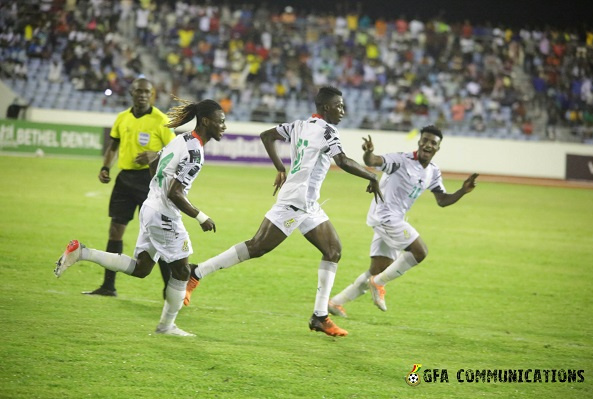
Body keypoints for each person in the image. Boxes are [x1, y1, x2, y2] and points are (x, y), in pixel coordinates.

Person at [184, 86, 383, 337]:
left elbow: (267, 135)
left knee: (333, 251)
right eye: (339, 106)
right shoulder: (327, 130)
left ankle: (319, 316)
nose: (343, 110)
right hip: (295, 202)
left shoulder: (299, 125)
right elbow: (342, 161)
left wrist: (280, 168)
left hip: (308, 204)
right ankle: (197, 271)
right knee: (257, 247)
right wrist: (372, 176)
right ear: (325, 108)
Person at [54, 98, 227, 337]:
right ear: (206, 121)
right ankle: (166, 327)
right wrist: (201, 217)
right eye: (221, 121)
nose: (224, 126)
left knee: (142, 268)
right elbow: (174, 192)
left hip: (151, 207)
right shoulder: (195, 152)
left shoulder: (181, 138)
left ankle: (82, 252)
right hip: (164, 214)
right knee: (183, 273)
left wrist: (157, 192)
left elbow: (155, 167)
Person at [328, 126, 479, 316]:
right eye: (425, 140)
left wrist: (463, 191)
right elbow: (373, 161)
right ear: (419, 142)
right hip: (385, 216)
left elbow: (442, 201)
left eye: (433, 142)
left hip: (395, 219)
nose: (428, 145)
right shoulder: (401, 160)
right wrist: (369, 153)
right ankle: (379, 283)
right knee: (419, 251)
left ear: (438, 148)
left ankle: (335, 302)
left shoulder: (433, 171)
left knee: (378, 269)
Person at [83, 77, 175, 298]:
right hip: (124, 180)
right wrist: (106, 166)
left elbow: (175, 151)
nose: (143, 95)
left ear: (152, 95)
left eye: (147, 92)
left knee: (158, 235)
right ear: (131, 93)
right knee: (115, 230)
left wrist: (156, 155)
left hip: (150, 181)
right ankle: (108, 286)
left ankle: (169, 290)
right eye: (139, 91)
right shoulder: (122, 118)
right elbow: (113, 145)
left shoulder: (161, 120)